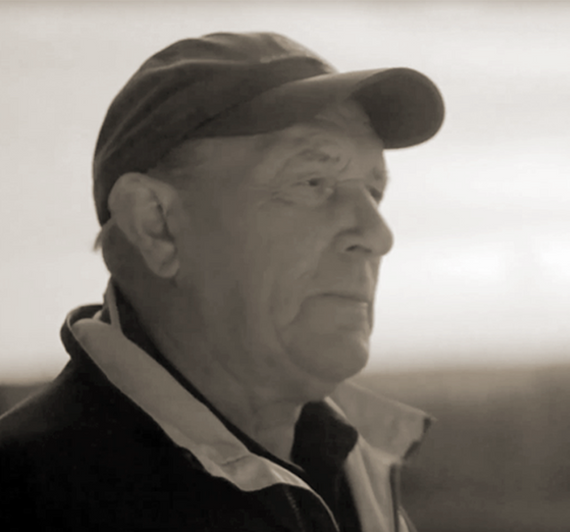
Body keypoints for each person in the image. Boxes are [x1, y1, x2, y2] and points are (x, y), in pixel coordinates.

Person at [0, 32, 444, 532]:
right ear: (157, 225)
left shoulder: (355, 479)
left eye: (374, 191)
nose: (377, 235)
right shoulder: (32, 498)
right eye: (312, 182)